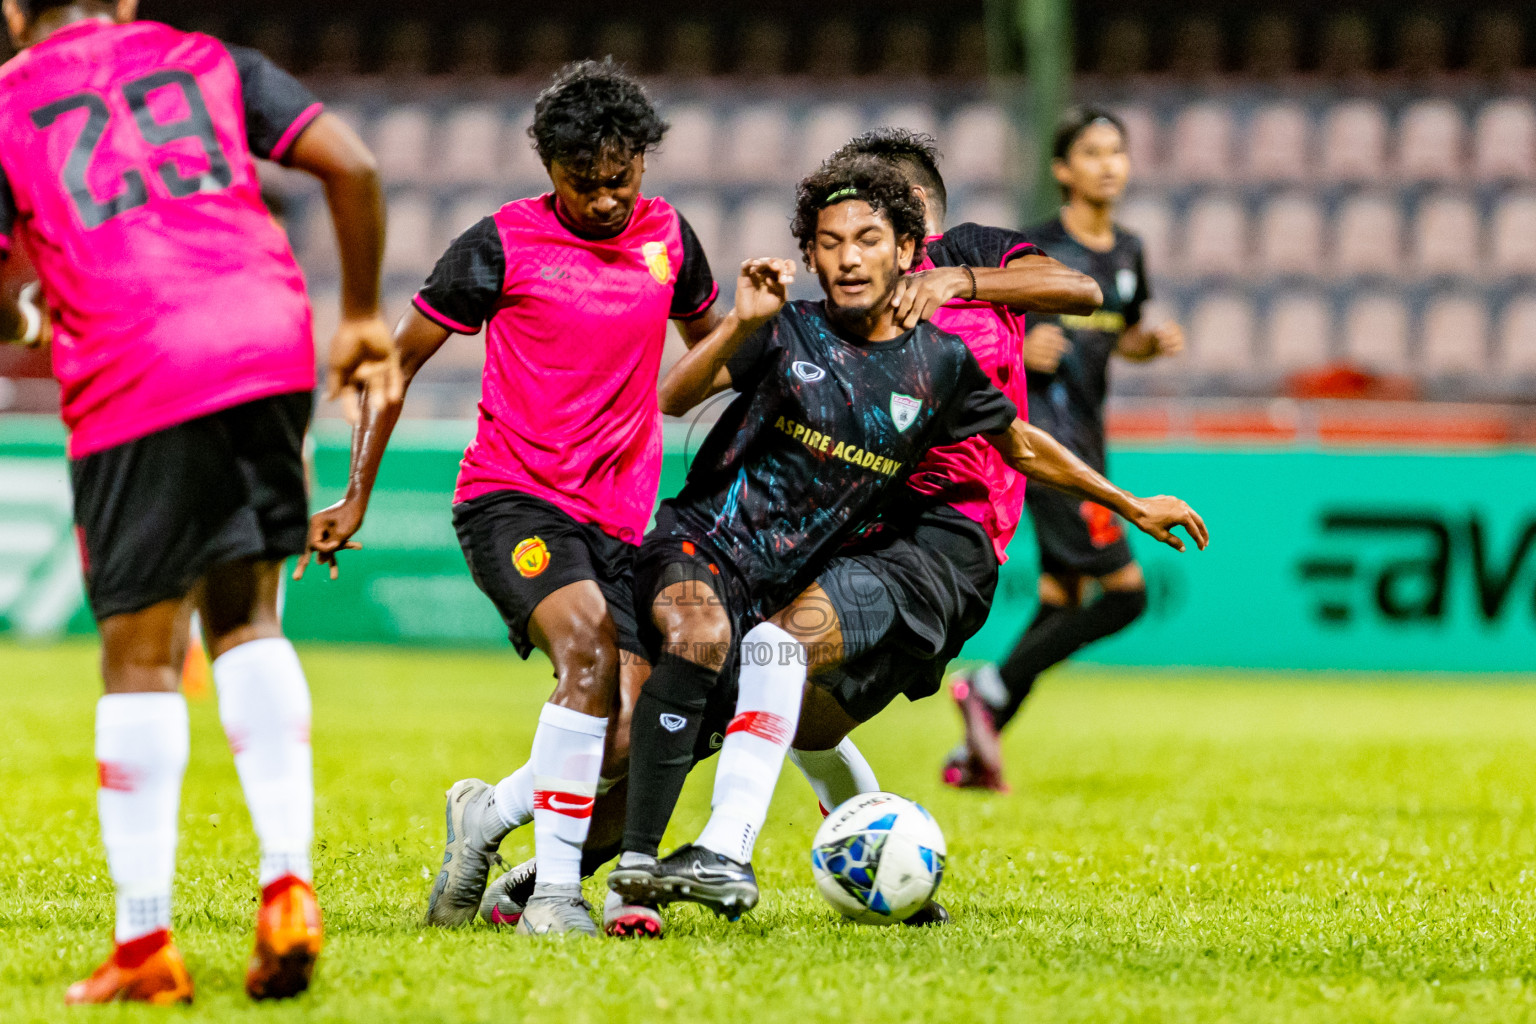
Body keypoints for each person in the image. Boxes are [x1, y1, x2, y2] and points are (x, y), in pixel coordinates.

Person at [605, 157, 1206, 921]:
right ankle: (528, 843)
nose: (852, 251)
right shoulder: (818, 324)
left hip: (942, 543)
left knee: (770, 657)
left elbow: (1059, 339)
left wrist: (1127, 502)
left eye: (873, 226)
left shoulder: (963, 286)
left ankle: (722, 851)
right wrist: (742, 324)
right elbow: (675, 394)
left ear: (910, 221)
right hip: (842, 536)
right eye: (834, 237)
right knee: (792, 717)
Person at [0, 0, 394, 1004]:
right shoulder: (208, 58)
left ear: (13, 11)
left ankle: (144, 947)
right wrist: (356, 314)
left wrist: (25, 303)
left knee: (138, 654)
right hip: (266, 336)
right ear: (126, 0)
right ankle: (289, 888)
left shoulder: (7, 103)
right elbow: (351, 163)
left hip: (138, 359)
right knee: (248, 618)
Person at [301, 59, 720, 938]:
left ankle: (486, 818)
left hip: (623, 521)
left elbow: (715, 349)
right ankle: (558, 897)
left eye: (621, 179)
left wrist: (755, 332)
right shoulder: (500, 243)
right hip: (514, 500)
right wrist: (354, 495)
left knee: (633, 738)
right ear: (549, 169)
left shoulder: (671, 239)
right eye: (583, 183)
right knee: (589, 658)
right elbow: (397, 363)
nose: (606, 200)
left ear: (643, 161)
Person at [945, 106, 1187, 792]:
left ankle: (974, 756)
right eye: (1092, 152)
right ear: (1062, 169)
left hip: (1091, 436)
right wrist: (1023, 346)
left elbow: (1119, 333)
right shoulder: (1034, 251)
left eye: (1118, 151)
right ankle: (988, 687)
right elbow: (977, 326)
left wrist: (1146, 344)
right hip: (1043, 442)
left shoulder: (1130, 251)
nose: (1109, 163)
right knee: (1126, 596)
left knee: (1062, 596)